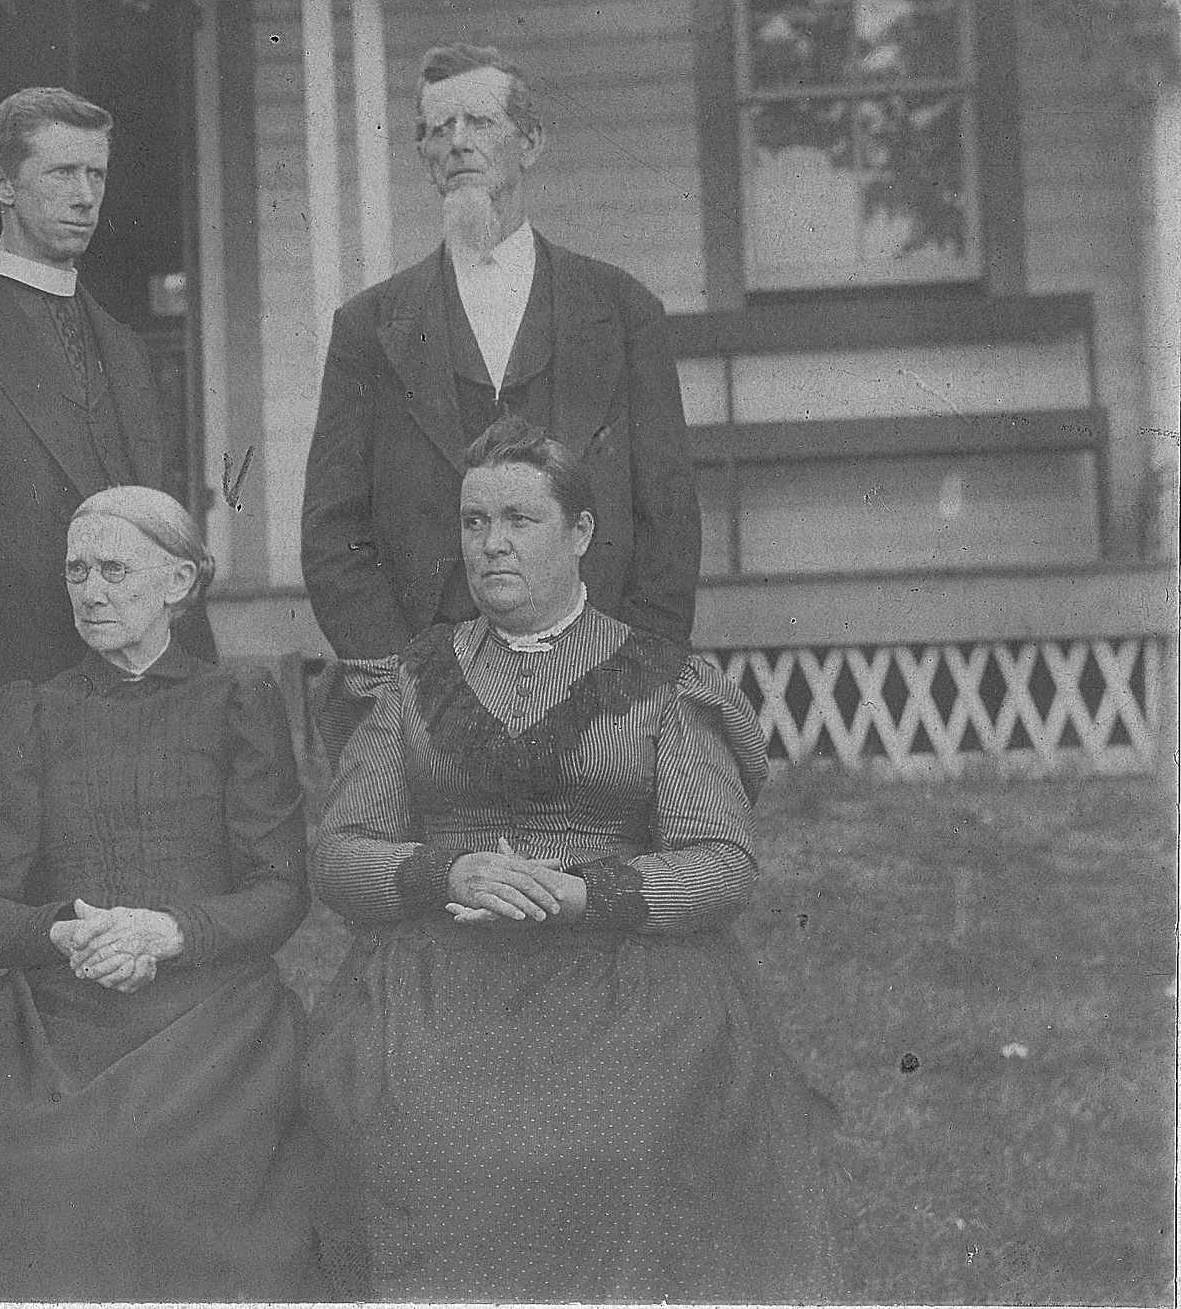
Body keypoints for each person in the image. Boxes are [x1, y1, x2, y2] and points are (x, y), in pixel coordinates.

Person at [301, 417, 839, 1302]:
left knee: (609, 1144)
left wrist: (582, 892)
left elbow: (721, 863)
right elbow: (340, 854)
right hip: (438, 973)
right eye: (474, 522)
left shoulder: (658, 678)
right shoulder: (417, 678)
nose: (492, 544)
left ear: (580, 533)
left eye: (520, 520)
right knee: (408, 1134)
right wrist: (448, 872)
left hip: (625, 973)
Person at [0, 486, 317, 1301]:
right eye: (76, 572)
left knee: (155, 1160)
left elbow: (281, 890)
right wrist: (61, 933)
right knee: (60, 1168)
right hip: (57, 1020)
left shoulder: (235, 702)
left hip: (212, 1014)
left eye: (114, 570)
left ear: (179, 583)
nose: (91, 592)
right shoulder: (32, 712)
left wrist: (169, 933)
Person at [0, 86, 211, 846]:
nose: (85, 196)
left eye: (96, 174)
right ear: (2, 184)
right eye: (61, 173)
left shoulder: (123, 346)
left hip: (142, 706)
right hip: (10, 711)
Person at [302, 42, 701, 673]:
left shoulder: (623, 313)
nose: (459, 143)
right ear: (425, 157)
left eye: (480, 122)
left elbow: (668, 520)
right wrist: (403, 680)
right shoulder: (369, 328)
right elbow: (333, 531)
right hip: (426, 680)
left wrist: (635, 673)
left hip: (600, 675)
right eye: (440, 130)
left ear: (531, 143)